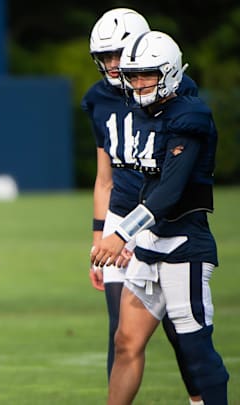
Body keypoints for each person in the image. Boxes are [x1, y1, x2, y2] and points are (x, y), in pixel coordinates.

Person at [91, 31, 229, 404]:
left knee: (195, 350)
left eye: (146, 75)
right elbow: (140, 185)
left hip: (185, 246)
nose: (137, 84)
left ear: (168, 72)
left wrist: (120, 234)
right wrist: (132, 238)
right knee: (125, 341)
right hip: (149, 245)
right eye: (133, 76)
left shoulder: (190, 115)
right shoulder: (143, 114)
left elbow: (170, 192)